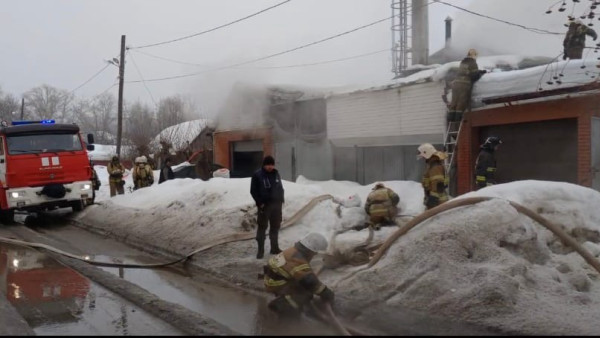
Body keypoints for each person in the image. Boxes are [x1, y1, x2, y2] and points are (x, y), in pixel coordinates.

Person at [262, 232, 335, 318]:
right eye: (315, 252)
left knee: (304, 287)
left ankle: (289, 301)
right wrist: (326, 293)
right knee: (305, 294)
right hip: (276, 284)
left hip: (273, 279)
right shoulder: (298, 260)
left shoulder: (293, 251)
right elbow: (310, 282)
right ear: (310, 250)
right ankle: (281, 306)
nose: (315, 254)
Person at [250, 155, 285, 259]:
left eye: (272, 165)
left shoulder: (276, 174)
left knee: (275, 227)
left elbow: (280, 188)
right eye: (268, 165)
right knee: (262, 227)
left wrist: (281, 199)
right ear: (264, 165)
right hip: (265, 206)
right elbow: (253, 191)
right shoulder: (257, 175)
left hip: (276, 205)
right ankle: (260, 251)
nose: (270, 167)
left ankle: (274, 248)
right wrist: (260, 203)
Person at [447, 48, 487, 124]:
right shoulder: (473, 62)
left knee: (454, 100)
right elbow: (474, 76)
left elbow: (467, 72)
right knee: (462, 100)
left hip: (456, 83)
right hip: (464, 84)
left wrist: (479, 71)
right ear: (474, 55)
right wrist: (481, 73)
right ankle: (457, 119)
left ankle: (451, 118)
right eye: (476, 55)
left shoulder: (463, 62)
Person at [417, 143, 449, 210]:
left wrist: (432, 200)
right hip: (438, 202)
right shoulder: (432, 166)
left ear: (427, 154)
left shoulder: (435, 167)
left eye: (423, 157)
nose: (423, 159)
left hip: (438, 204)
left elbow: (438, 186)